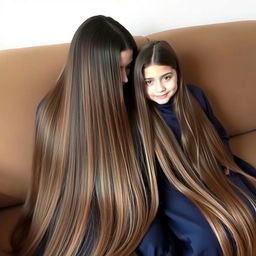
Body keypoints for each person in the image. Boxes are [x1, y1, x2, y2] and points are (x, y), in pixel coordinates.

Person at [11, 16, 173, 256]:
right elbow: (56, 188)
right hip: (80, 207)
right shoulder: (50, 113)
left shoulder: (129, 102)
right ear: (92, 71)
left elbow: (141, 173)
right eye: (117, 70)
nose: (126, 79)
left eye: (128, 67)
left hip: (130, 198)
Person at [133, 40, 256, 256]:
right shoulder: (139, 117)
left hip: (209, 168)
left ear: (177, 73)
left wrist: (222, 161)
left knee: (249, 210)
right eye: (148, 81)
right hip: (173, 183)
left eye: (167, 77)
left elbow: (219, 134)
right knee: (207, 236)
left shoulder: (195, 96)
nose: (160, 88)